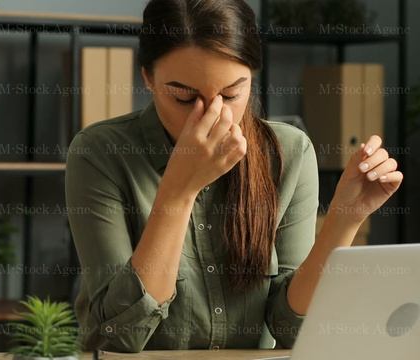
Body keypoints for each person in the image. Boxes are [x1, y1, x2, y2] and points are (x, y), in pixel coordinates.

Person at [65, 0, 403, 353]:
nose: (214, 115)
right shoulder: (100, 152)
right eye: (184, 97)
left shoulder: (289, 152)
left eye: (231, 94)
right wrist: (179, 191)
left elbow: (293, 329)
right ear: (148, 77)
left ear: (252, 78)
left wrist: (344, 219)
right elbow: (119, 334)